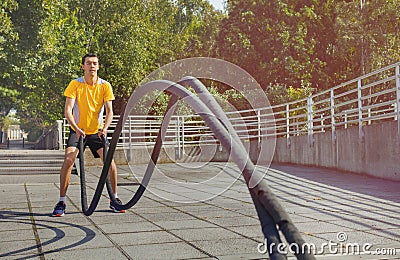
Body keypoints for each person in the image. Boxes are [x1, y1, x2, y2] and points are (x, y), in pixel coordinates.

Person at [52, 53, 125, 216]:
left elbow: (110, 111)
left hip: (96, 133)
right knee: (69, 160)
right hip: (78, 131)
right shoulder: (75, 84)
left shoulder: (105, 85)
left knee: (110, 163)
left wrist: (105, 128)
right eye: (88, 63)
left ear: (98, 66)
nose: (92, 66)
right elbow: (68, 110)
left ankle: (114, 199)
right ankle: (61, 201)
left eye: (95, 63)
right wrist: (76, 128)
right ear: (83, 66)